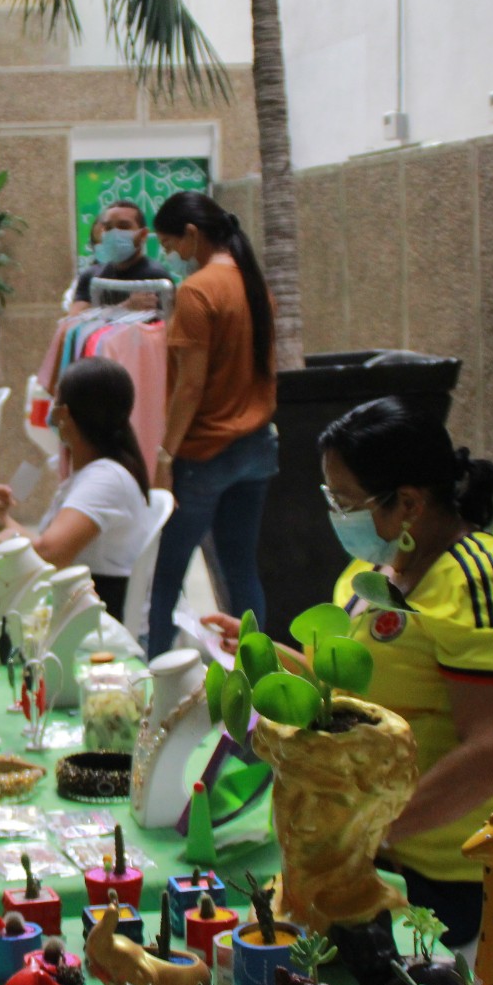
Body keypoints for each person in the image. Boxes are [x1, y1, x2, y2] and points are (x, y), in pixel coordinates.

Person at [204, 397, 493, 947]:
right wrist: (262, 655)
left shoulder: (481, 585)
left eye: (344, 500)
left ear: (408, 502)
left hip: (437, 875)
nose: (335, 514)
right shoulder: (380, 569)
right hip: (353, 843)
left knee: (268, 950)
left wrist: (372, 830)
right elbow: (343, 694)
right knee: (221, 900)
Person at [145, 190, 278, 657]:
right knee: (241, 570)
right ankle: (261, 678)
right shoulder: (254, 284)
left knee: (166, 574)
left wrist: (165, 454)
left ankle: (154, 679)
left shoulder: (199, 291)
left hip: (204, 455)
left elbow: (190, 387)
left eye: (172, 243)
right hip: (257, 449)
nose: (171, 255)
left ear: (194, 234)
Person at [0, 358, 151, 622]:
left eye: (55, 401)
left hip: (97, 621)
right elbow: (47, 549)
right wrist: (3, 521)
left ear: (64, 415)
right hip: (80, 607)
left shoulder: (104, 479)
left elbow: (51, 554)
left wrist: (10, 537)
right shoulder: (93, 473)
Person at [68, 200, 170, 313]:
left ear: (143, 235)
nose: (114, 233)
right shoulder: (91, 277)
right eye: (108, 228)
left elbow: (165, 324)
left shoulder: (156, 277)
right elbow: (74, 321)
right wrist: (125, 307)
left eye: (123, 226)